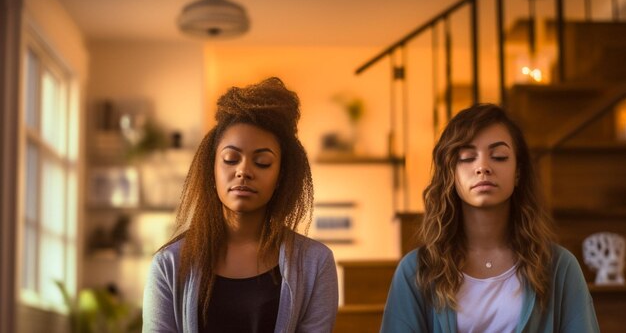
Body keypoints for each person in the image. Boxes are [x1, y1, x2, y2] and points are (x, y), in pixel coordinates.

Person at [380, 104, 599, 332]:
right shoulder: (416, 271)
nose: (483, 167)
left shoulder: (559, 267)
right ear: (450, 173)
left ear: (518, 172)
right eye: (467, 157)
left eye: (499, 156)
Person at [143, 77, 338, 333]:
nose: (244, 171)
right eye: (231, 159)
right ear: (211, 168)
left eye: (263, 162)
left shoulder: (315, 263)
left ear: (281, 176)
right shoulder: (169, 265)